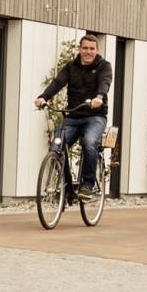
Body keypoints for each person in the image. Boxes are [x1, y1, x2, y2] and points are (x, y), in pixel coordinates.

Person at [34, 33, 114, 198]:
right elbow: (58, 83)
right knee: (56, 147)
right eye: (85, 48)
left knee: (89, 142)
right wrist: (43, 97)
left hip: (95, 117)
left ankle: (87, 185)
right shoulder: (71, 66)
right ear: (79, 49)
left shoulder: (104, 66)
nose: (88, 52)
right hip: (72, 117)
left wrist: (99, 97)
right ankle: (67, 187)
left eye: (92, 49)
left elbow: (104, 83)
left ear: (97, 50)